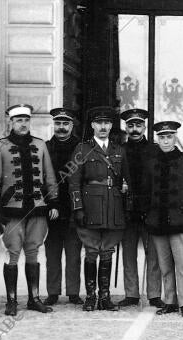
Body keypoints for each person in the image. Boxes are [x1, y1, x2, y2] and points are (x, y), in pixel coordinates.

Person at [0, 104, 59, 316]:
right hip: (12, 209)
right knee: (12, 253)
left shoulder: (41, 145)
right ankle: (11, 301)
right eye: (18, 120)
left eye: (26, 120)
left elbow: (50, 176)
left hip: (37, 208)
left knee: (33, 252)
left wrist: (53, 201)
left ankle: (34, 299)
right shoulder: (0, 146)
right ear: (11, 122)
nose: (23, 124)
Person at [68, 106, 130, 311]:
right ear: (93, 125)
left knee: (108, 250)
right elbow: (74, 181)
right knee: (92, 251)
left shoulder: (119, 150)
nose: (103, 127)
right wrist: (78, 207)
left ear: (111, 126)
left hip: (113, 205)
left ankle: (105, 297)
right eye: (99, 123)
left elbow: (126, 179)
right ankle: (90, 297)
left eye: (107, 123)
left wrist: (125, 190)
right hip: (91, 205)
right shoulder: (82, 149)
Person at [141, 121, 183, 318]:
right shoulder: (151, 162)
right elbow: (146, 191)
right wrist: (146, 215)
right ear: (157, 139)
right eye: (162, 137)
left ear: (175, 137)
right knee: (165, 265)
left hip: (180, 220)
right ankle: (170, 301)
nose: (165, 141)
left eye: (169, 137)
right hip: (157, 221)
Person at [118, 108, 164, 309]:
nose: (134, 129)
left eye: (138, 125)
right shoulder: (119, 150)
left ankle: (154, 294)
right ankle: (131, 294)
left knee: (153, 253)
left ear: (144, 126)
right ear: (125, 127)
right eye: (130, 125)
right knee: (128, 253)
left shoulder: (155, 150)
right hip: (126, 210)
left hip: (150, 210)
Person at [43, 108, 84, 306]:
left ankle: (74, 292)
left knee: (74, 252)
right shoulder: (45, 147)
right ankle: (53, 292)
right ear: (54, 124)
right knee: (52, 252)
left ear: (71, 125)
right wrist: (51, 203)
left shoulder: (81, 147)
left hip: (74, 207)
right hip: (52, 207)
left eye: (65, 123)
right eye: (58, 123)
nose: (61, 127)